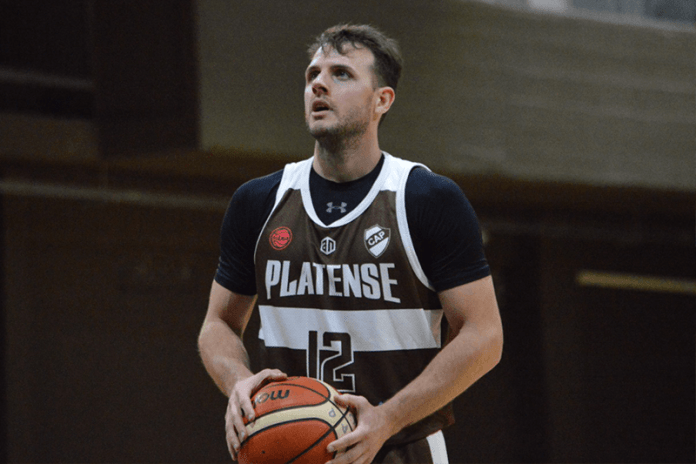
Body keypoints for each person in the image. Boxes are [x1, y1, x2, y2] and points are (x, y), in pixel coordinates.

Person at [198, 24, 503, 464]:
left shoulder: (425, 198)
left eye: (341, 73)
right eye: (312, 74)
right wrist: (237, 382)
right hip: (290, 449)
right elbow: (218, 324)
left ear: (382, 100)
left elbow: (484, 335)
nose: (318, 84)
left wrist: (388, 417)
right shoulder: (258, 201)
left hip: (401, 449)